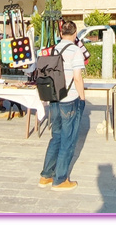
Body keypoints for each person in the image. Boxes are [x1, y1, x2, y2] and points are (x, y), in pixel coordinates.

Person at [38, 20, 86, 192]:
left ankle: (46, 175)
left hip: (54, 98)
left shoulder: (53, 49)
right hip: (70, 99)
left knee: (56, 137)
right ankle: (60, 179)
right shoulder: (75, 51)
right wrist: (82, 98)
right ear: (75, 34)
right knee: (68, 139)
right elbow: (78, 77)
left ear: (60, 34)